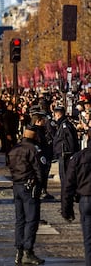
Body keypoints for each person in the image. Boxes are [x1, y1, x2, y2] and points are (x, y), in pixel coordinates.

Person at [6, 125, 45, 265]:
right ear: (34, 136)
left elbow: (9, 165)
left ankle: (19, 251)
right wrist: (40, 186)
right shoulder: (33, 149)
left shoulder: (14, 149)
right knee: (31, 219)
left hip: (17, 185)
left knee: (20, 220)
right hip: (29, 187)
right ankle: (28, 250)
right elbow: (40, 170)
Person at [61, 129, 91, 266]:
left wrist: (66, 209)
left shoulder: (79, 157)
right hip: (85, 198)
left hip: (86, 199)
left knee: (88, 239)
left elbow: (68, 185)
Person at [52, 105, 79, 187]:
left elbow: (69, 140)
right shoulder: (62, 124)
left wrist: (68, 152)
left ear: (58, 115)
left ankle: (67, 195)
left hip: (65, 154)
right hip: (63, 153)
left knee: (65, 176)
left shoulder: (65, 126)